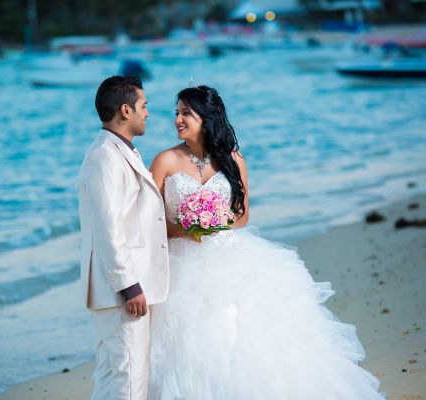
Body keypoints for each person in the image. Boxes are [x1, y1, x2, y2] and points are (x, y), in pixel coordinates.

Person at [147, 85, 386, 399]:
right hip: (180, 263)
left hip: (228, 257)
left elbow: (242, 216)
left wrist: (214, 221)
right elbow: (149, 220)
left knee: (239, 331)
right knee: (189, 342)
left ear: (207, 117)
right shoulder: (164, 161)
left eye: (186, 113)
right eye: (176, 113)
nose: (178, 119)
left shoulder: (233, 158)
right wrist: (187, 229)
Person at [79, 76, 169, 400]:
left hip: (118, 288)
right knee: (130, 381)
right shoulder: (104, 155)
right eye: (143, 106)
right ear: (125, 110)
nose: (148, 113)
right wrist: (128, 285)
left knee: (111, 377)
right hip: (122, 290)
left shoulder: (119, 150)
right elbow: (107, 226)